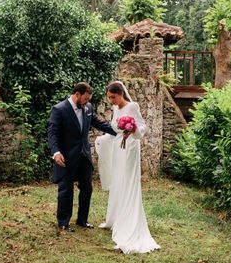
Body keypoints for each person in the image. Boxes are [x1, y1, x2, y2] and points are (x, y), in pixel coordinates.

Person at [95, 81, 160, 254]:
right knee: (118, 180)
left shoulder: (132, 106)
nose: (111, 101)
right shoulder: (116, 109)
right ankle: (116, 217)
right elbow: (114, 127)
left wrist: (133, 129)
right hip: (118, 146)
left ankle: (129, 221)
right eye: (109, 98)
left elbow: (143, 126)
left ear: (121, 94)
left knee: (128, 181)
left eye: (113, 97)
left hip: (130, 147)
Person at [47, 82, 116, 232]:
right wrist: (56, 152)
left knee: (87, 188)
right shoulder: (59, 109)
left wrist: (119, 131)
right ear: (76, 94)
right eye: (85, 99)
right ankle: (63, 222)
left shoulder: (88, 108)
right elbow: (52, 134)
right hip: (66, 157)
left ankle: (82, 220)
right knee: (66, 190)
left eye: (88, 100)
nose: (87, 103)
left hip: (84, 156)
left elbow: (99, 123)